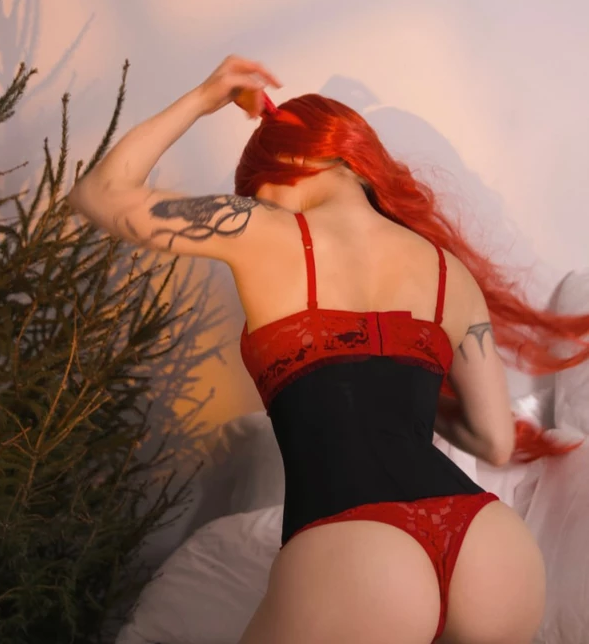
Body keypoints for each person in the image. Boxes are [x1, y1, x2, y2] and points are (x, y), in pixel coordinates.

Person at [66, 55, 588, 644]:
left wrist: (205, 96)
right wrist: (400, 387)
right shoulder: (448, 271)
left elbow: (99, 194)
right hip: (489, 545)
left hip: (361, 551)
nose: (260, 201)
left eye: (258, 189)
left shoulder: (254, 228)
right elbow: (492, 440)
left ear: (292, 160)